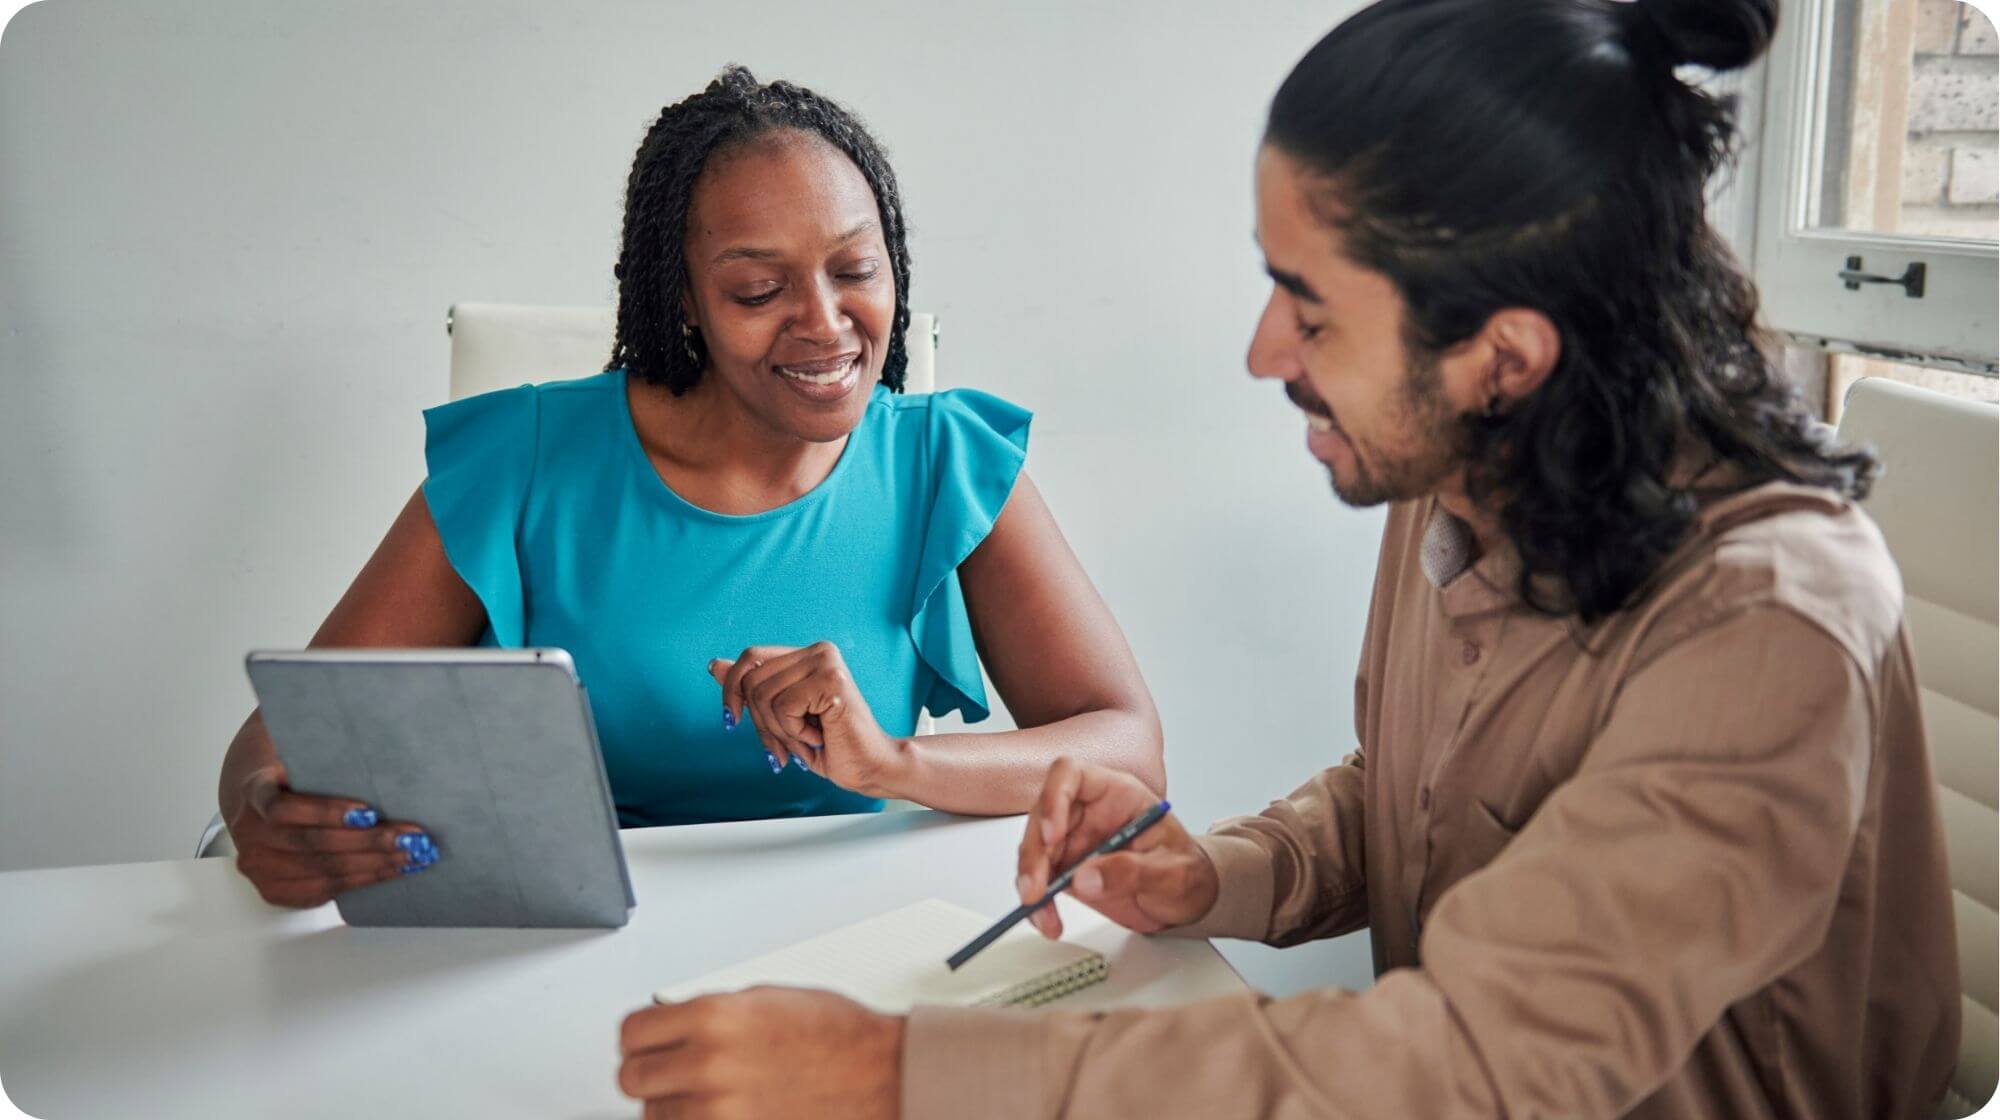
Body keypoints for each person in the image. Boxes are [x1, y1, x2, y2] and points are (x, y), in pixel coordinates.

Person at [614, 2, 1960, 1117]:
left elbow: (1470, 1063)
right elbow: (1427, 793)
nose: (1264, 351)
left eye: (1309, 310)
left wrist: (892, 1071)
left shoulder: (1769, 622)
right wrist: (1217, 874)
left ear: (1504, 355)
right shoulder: (1462, 470)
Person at [217, 67, 1164, 909]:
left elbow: (1130, 746)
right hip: (568, 949)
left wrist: (896, 765)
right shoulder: (524, 460)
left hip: (848, 941)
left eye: (856, 271)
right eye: (759, 290)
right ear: (684, 301)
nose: (826, 324)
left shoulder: (944, 459)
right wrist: (270, 814)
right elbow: (278, 743)